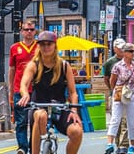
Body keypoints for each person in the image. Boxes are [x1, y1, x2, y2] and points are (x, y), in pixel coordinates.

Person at [17, 31, 83, 154]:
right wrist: (25, 94)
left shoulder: (64, 65)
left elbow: (73, 92)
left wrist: (74, 110)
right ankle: (38, 148)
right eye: (42, 44)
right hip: (38, 106)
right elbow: (23, 84)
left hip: (60, 107)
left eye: (49, 44)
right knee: (41, 115)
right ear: (39, 46)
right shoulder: (34, 65)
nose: (46, 47)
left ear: (54, 45)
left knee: (77, 131)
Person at [8, 20, 38, 154]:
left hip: (36, 89)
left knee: (34, 120)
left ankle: (33, 147)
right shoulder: (15, 48)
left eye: (31, 30)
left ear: (35, 31)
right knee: (21, 121)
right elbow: (12, 69)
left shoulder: (40, 46)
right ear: (22, 32)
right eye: (26, 30)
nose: (29, 32)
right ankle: (22, 148)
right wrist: (11, 89)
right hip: (19, 89)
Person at [106, 43, 134, 154]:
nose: (133, 53)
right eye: (130, 51)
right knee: (115, 119)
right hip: (120, 93)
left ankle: (132, 146)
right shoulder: (118, 66)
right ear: (125, 52)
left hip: (131, 94)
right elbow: (112, 80)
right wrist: (116, 91)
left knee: (132, 121)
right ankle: (110, 144)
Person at [103, 38, 129, 149]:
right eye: (119, 48)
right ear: (115, 49)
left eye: (123, 48)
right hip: (115, 93)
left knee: (125, 119)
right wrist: (112, 89)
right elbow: (106, 78)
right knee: (116, 119)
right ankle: (118, 142)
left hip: (127, 93)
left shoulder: (129, 60)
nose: (122, 50)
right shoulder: (109, 63)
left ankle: (123, 145)